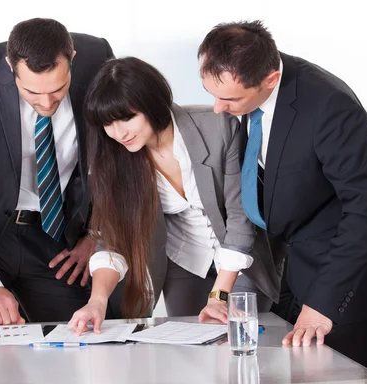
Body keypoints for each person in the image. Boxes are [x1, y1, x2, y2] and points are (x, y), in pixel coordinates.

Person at [198, 20, 367, 376]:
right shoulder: (247, 86)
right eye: (212, 93)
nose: (217, 108)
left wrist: (323, 304)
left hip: (342, 280)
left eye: (229, 99)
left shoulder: (329, 106)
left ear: (270, 80)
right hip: (292, 267)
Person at [68, 57, 283, 334]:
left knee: (240, 340)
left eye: (127, 118)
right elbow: (113, 240)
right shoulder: (114, 158)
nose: (118, 133)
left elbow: (241, 218)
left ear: (152, 104)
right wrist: (97, 301)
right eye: (108, 123)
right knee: (189, 347)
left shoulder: (218, 127)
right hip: (185, 261)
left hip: (242, 257)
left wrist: (219, 297)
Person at [0, 18, 115, 325]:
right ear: (10, 67)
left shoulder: (99, 59)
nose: (46, 102)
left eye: (57, 89)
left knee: (77, 345)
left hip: (57, 237)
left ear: (73, 60)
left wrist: (97, 233)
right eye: (32, 92)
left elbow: (118, 159)